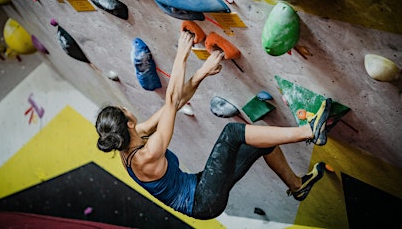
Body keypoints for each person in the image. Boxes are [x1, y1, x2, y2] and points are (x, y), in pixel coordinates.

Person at [95, 31, 331, 220]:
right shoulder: (146, 155)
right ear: (128, 122)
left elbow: (175, 105)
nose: (126, 108)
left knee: (260, 143)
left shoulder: (135, 136)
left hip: (200, 186)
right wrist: (182, 54)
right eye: (123, 109)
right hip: (203, 201)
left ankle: (298, 186)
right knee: (233, 133)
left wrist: (202, 74)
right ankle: (310, 131)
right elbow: (171, 99)